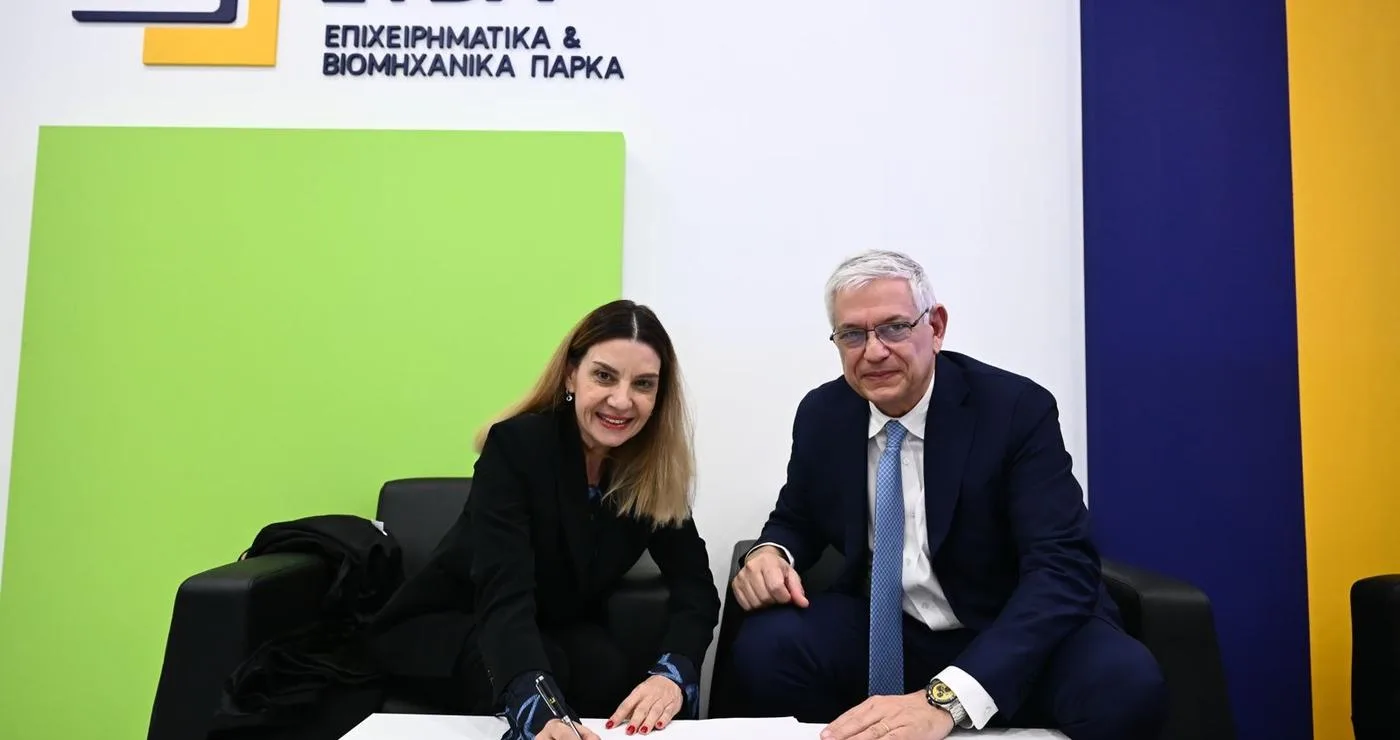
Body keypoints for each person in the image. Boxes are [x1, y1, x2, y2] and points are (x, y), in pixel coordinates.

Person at [728, 251, 1167, 740]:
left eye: (894, 328)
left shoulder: (1014, 410)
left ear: (935, 327)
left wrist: (948, 699)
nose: (873, 351)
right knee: (766, 646)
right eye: (852, 334)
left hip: (1008, 627)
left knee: (1124, 683)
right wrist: (771, 552)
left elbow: (1062, 566)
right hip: (894, 631)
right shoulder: (823, 414)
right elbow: (798, 516)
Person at [369, 299, 721, 740]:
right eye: (604, 376)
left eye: (643, 384)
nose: (621, 400)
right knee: (545, 670)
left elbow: (696, 588)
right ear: (572, 374)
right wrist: (539, 709)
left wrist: (672, 675)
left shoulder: (651, 470)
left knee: (607, 667)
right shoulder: (517, 446)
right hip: (454, 621)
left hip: (549, 628)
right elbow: (503, 591)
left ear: (659, 395)